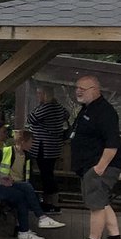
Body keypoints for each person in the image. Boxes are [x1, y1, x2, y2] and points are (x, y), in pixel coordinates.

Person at [68, 74, 121, 239]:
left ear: (95, 90)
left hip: (100, 167)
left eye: (82, 89)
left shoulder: (105, 112)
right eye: (76, 88)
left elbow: (112, 144)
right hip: (88, 167)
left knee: (96, 206)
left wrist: (99, 168)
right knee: (102, 203)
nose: (78, 91)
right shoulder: (87, 109)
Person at [0, 121, 63, 239]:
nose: (6, 135)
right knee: (21, 195)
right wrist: (2, 180)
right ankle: (30, 225)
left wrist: (3, 179)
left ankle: (36, 221)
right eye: (3, 132)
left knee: (26, 187)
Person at [25, 85, 70, 214]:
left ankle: (50, 203)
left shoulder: (45, 108)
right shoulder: (59, 108)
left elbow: (31, 119)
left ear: (45, 95)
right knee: (48, 174)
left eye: (40, 94)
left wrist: (39, 106)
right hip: (54, 147)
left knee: (46, 176)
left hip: (43, 147)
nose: (37, 96)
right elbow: (67, 115)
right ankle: (49, 202)